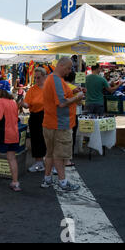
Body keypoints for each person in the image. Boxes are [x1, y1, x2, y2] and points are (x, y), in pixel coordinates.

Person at [41, 57, 85, 192]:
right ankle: (63, 182)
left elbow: (60, 97)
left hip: (51, 123)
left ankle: (47, 179)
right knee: (60, 155)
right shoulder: (56, 80)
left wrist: (72, 92)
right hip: (60, 124)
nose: (69, 71)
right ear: (61, 66)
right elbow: (61, 103)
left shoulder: (51, 79)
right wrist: (77, 97)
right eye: (69, 68)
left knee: (50, 153)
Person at [20, 67, 47, 172]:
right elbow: (27, 104)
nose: (36, 80)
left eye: (38, 77)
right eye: (35, 78)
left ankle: (52, 163)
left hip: (47, 116)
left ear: (44, 77)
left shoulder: (49, 88)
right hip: (35, 116)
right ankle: (39, 162)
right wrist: (22, 103)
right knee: (36, 140)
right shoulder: (32, 89)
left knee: (48, 140)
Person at [63, 71, 84, 167]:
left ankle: (62, 157)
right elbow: (79, 103)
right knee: (71, 137)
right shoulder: (74, 88)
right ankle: (68, 158)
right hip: (72, 114)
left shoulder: (61, 87)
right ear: (73, 79)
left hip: (61, 115)